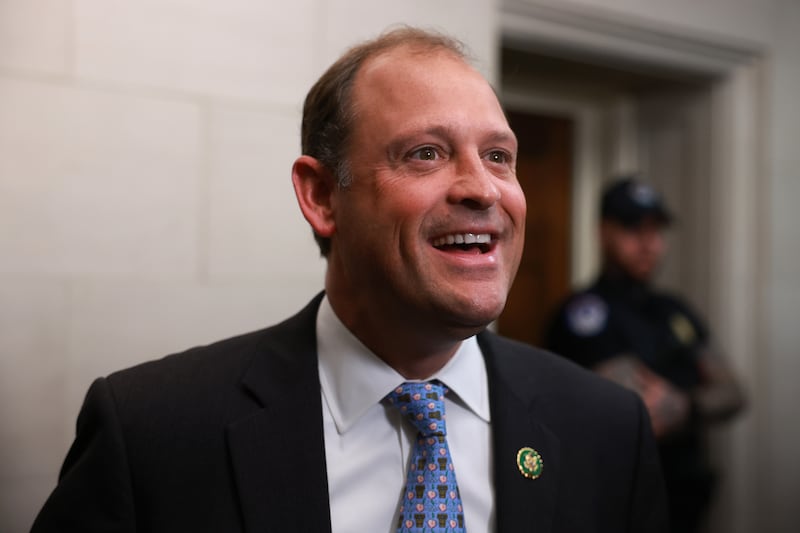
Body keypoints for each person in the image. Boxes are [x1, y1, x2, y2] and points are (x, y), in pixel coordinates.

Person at [32, 28, 668, 533]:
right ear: (320, 196)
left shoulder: (607, 430)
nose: (482, 188)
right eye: (426, 152)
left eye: (499, 156)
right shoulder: (151, 433)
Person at [545, 177, 745, 533]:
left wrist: (687, 405)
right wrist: (692, 399)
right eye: (633, 228)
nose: (649, 243)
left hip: (686, 495)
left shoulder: (675, 310)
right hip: (621, 500)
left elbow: (733, 392)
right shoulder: (584, 313)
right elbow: (640, 407)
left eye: (656, 229)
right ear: (604, 232)